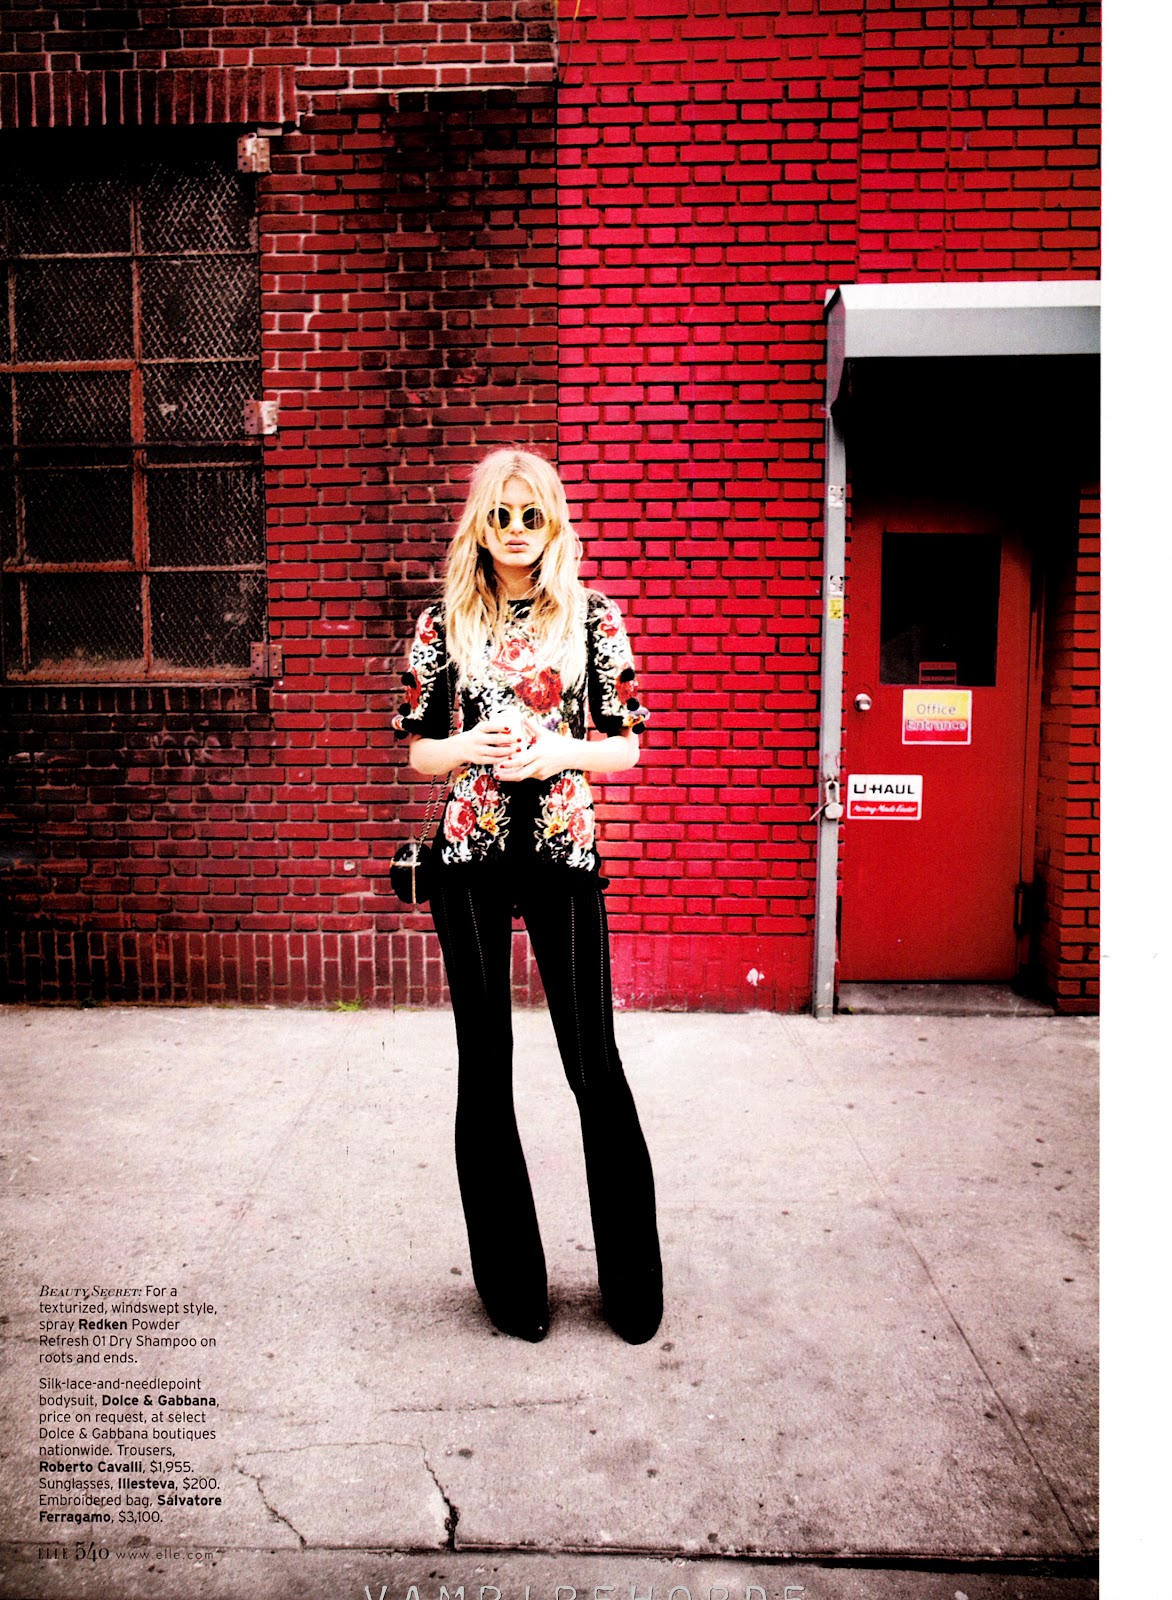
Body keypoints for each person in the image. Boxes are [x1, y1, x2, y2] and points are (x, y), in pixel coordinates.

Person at [393, 448, 662, 1346]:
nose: (515, 531)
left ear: (553, 524)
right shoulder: (443, 622)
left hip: (561, 847)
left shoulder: (593, 616)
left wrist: (557, 752)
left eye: (531, 515)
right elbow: (419, 752)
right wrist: (468, 745)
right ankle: (513, 1290)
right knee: (486, 1063)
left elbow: (626, 744)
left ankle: (632, 1289)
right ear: (481, 524)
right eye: (501, 515)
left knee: (593, 1061)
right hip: (468, 853)